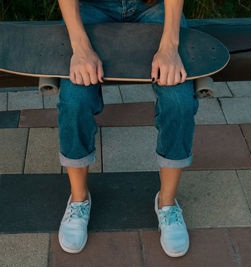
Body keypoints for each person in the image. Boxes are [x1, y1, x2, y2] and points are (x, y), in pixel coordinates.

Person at [56, 0, 199, 257]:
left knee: (179, 100)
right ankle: (79, 199)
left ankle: (166, 203)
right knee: (74, 99)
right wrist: (80, 48)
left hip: (154, 6)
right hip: (91, 7)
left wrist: (170, 47)